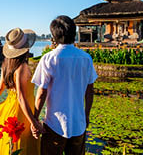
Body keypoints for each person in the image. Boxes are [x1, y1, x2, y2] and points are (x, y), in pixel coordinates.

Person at [31, 15, 98, 155]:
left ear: (54, 37)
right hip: (78, 124)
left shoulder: (49, 59)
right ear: (74, 34)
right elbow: (89, 91)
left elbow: (41, 93)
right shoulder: (86, 58)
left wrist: (35, 119)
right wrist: (86, 115)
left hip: (54, 124)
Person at [0, 28, 42, 155]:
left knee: (9, 144)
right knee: (21, 145)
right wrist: (34, 122)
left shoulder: (6, 64)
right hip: (21, 112)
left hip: (9, 107)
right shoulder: (22, 67)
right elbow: (21, 98)